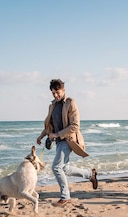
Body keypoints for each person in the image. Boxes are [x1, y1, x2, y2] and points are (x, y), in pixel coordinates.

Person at [36, 79, 97, 207]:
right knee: (65, 168)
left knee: (56, 167)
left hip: (69, 140)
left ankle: (65, 197)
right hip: (59, 142)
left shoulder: (70, 103)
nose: (55, 95)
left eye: (57, 92)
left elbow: (75, 125)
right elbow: (50, 126)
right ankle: (89, 174)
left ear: (63, 90)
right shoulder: (52, 105)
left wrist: (57, 134)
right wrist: (42, 136)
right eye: (53, 93)